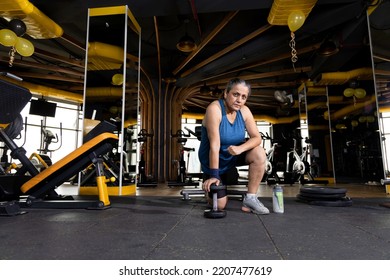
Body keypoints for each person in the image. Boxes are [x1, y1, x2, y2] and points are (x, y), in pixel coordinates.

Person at [198, 78, 269, 214]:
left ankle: (251, 198)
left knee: (259, 152)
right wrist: (214, 175)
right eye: (235, 94)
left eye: (243, 97)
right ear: (226, 93)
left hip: (232, 156)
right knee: (219, 206)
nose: (239, 100)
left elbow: (257, 138)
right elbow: (214, 145)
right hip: (213, 160)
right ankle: (208, 185)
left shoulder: (245, 111)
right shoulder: (214, 109)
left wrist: (240, 148)